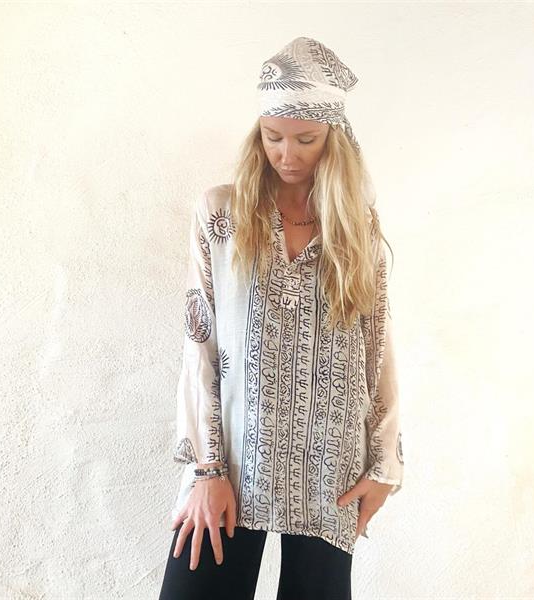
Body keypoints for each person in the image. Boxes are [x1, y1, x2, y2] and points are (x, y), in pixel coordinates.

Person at [159, 36, 404, 600]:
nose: (287, 154)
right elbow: (200, 342)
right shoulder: (221, 213)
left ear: (334, 138)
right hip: (232, 462)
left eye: (305, 140)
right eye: (273, 136)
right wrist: (207, 470)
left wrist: (384, 465)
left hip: (331, 469)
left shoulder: (357, 226)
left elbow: (377, 347)